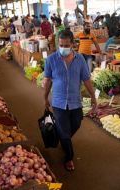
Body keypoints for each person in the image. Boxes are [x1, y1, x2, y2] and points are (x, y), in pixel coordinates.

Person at [44, 30, 97, 171]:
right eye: (61, 45)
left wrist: (93, 97)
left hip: (75, 102)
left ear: (73, 44)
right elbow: (48, 80)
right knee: (65, 131)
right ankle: (69, 157)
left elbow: (86, 80)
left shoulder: (80, 60)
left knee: (76, 124)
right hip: (58, 102)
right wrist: (44, 97)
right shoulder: (51, 60)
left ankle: (63, 136)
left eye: (66, 45)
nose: (63, 48)